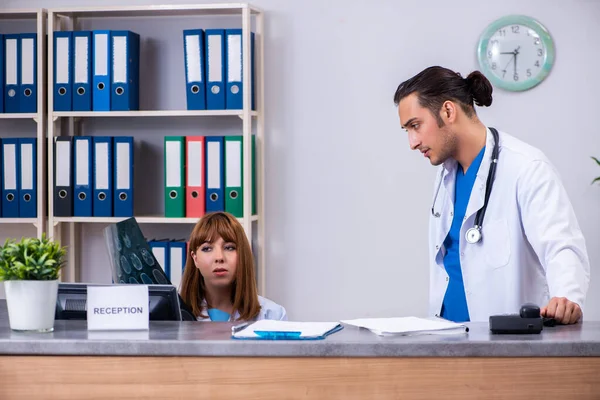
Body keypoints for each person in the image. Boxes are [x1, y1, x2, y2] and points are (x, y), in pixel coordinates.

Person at [393, 66, 590, 324]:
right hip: (444, 338)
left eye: (415, 126)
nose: (413, 142)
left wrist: (566, 297)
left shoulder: (526, 167)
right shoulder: (445, 176)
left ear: (448, 111)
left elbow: (560, 245)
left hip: (504, 345)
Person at [180, 211, 287, 321]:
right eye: (207, 248)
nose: (219, 257)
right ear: (195, 258)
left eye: (229, 248)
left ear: (242, 255)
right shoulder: (174, 315)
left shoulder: (273, 316)